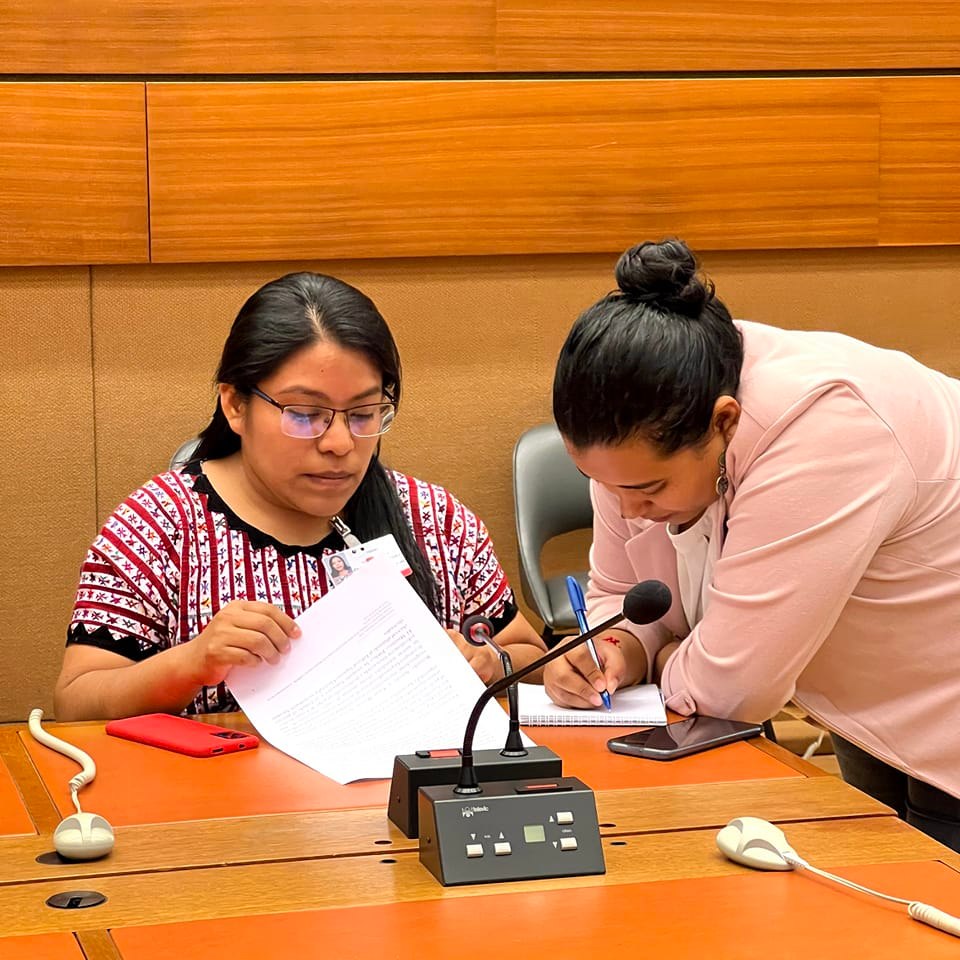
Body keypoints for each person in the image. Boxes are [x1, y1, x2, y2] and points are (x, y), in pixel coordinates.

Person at [543, 238, 960, 850]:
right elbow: (621, 595)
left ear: (725, 422)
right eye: (600, 483)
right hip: (872, 692)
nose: (628, 509)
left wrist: (676, 658)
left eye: (649, 488)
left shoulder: (826, 429)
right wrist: (618, 650)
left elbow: (734, 689)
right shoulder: (649, 407)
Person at [56, 272, 546, 720]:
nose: (339, 444)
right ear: (235, 405)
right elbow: (77, 702)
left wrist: (486, 661)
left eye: (363, 414)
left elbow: (531, 657)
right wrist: (193, 661)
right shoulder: (158, 527)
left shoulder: (436, 520)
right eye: (305, 414)